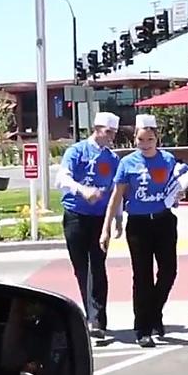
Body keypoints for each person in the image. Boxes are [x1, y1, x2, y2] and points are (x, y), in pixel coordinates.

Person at [101, 114, 180, 348]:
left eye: (150, 140)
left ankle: (155, 312)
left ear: (157, 139)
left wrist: (178, 196)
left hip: (164, 222)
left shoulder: (168, 160)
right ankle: (143, 328)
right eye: (141, 140)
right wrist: (106, 229)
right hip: (138, 225)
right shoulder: (127, 164)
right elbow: (116, 197)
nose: (145, 145)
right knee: (142, 277)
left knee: (169, 272)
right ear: (135, 140)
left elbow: (174, 190)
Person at [55, 111, 122, 338]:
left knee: (98, 267)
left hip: (100, 220)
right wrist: (82, 190)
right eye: (108, 132)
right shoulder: (76, 151)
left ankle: (97, 320)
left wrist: (118, 218)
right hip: (75, 215)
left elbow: (116, 191)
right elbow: (62, 178)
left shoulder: (112, 159)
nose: (112, 136)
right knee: (81, 268)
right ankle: (89, 313)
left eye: (114, 132)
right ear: (97, 128)